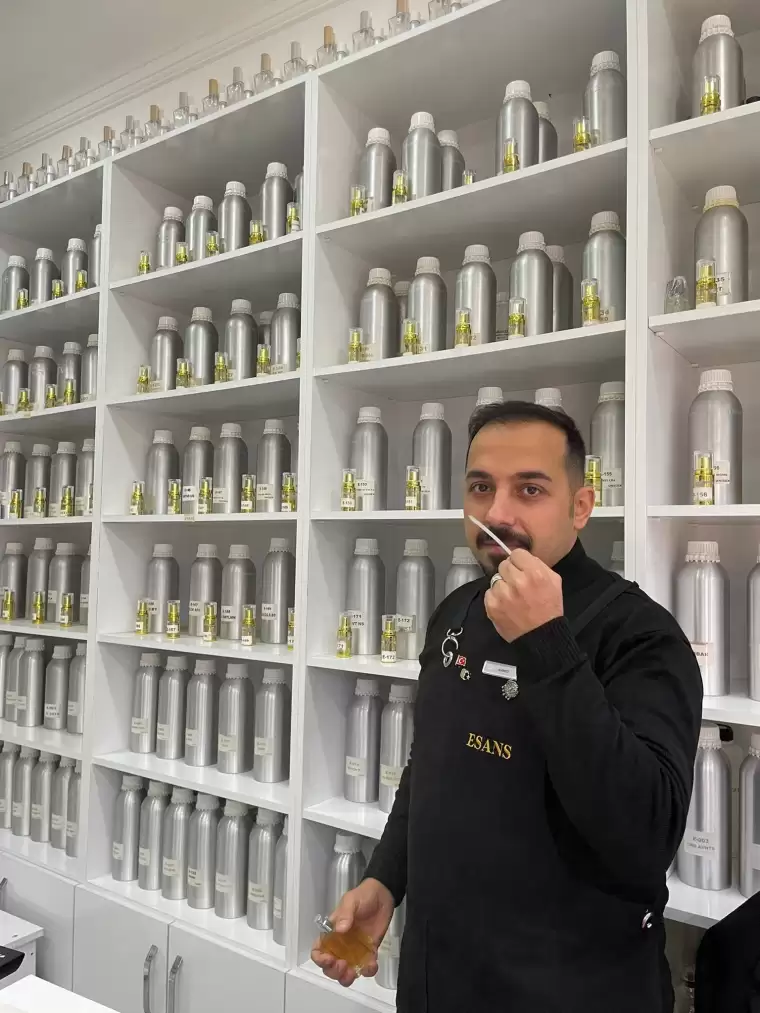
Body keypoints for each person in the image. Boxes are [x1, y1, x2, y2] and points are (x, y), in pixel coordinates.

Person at [312, 400, 703, 1012]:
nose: (497, 513)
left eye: (530, 489)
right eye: (481, 488)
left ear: (580, 506)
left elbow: (646, 837)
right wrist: (386, 877)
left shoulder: (641, 636)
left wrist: (548, 643)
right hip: (437, 982)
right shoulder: (457, 610)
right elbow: (431, 762)